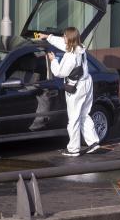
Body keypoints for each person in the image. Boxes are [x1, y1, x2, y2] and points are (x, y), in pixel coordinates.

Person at [38, 27, 100, 156]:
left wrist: (53, 60)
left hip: (76, 87)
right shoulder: (80, 47)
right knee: (84, 114)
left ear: (70, 38)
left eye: (65, 36)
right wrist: (48, 37)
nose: (63, 38)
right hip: (87, 83)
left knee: (73, 118)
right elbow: (63, 44)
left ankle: (73, 149)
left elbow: (60, 73)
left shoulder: (70, 56)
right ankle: (93, 142)